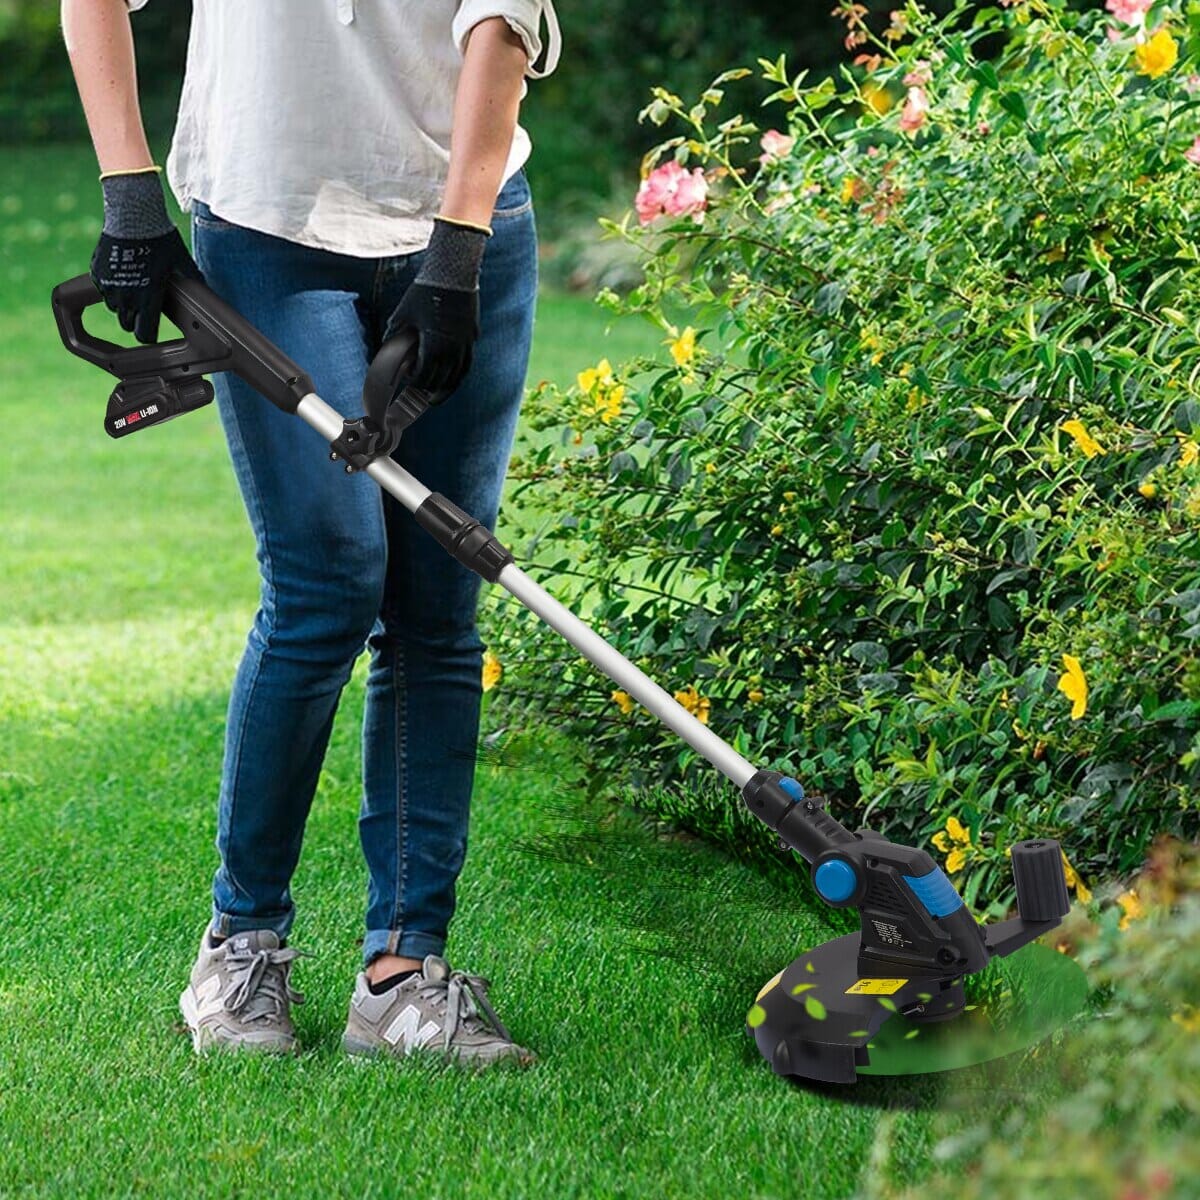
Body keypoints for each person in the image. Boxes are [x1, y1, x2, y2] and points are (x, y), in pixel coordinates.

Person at [61, 0, 560, 1066]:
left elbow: (502, 21)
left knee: (435, 605)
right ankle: (240, 947)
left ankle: (403, 973)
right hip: (267, 232)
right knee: (326, 583)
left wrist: (460, 246)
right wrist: (129, 193)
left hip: (465, 222)